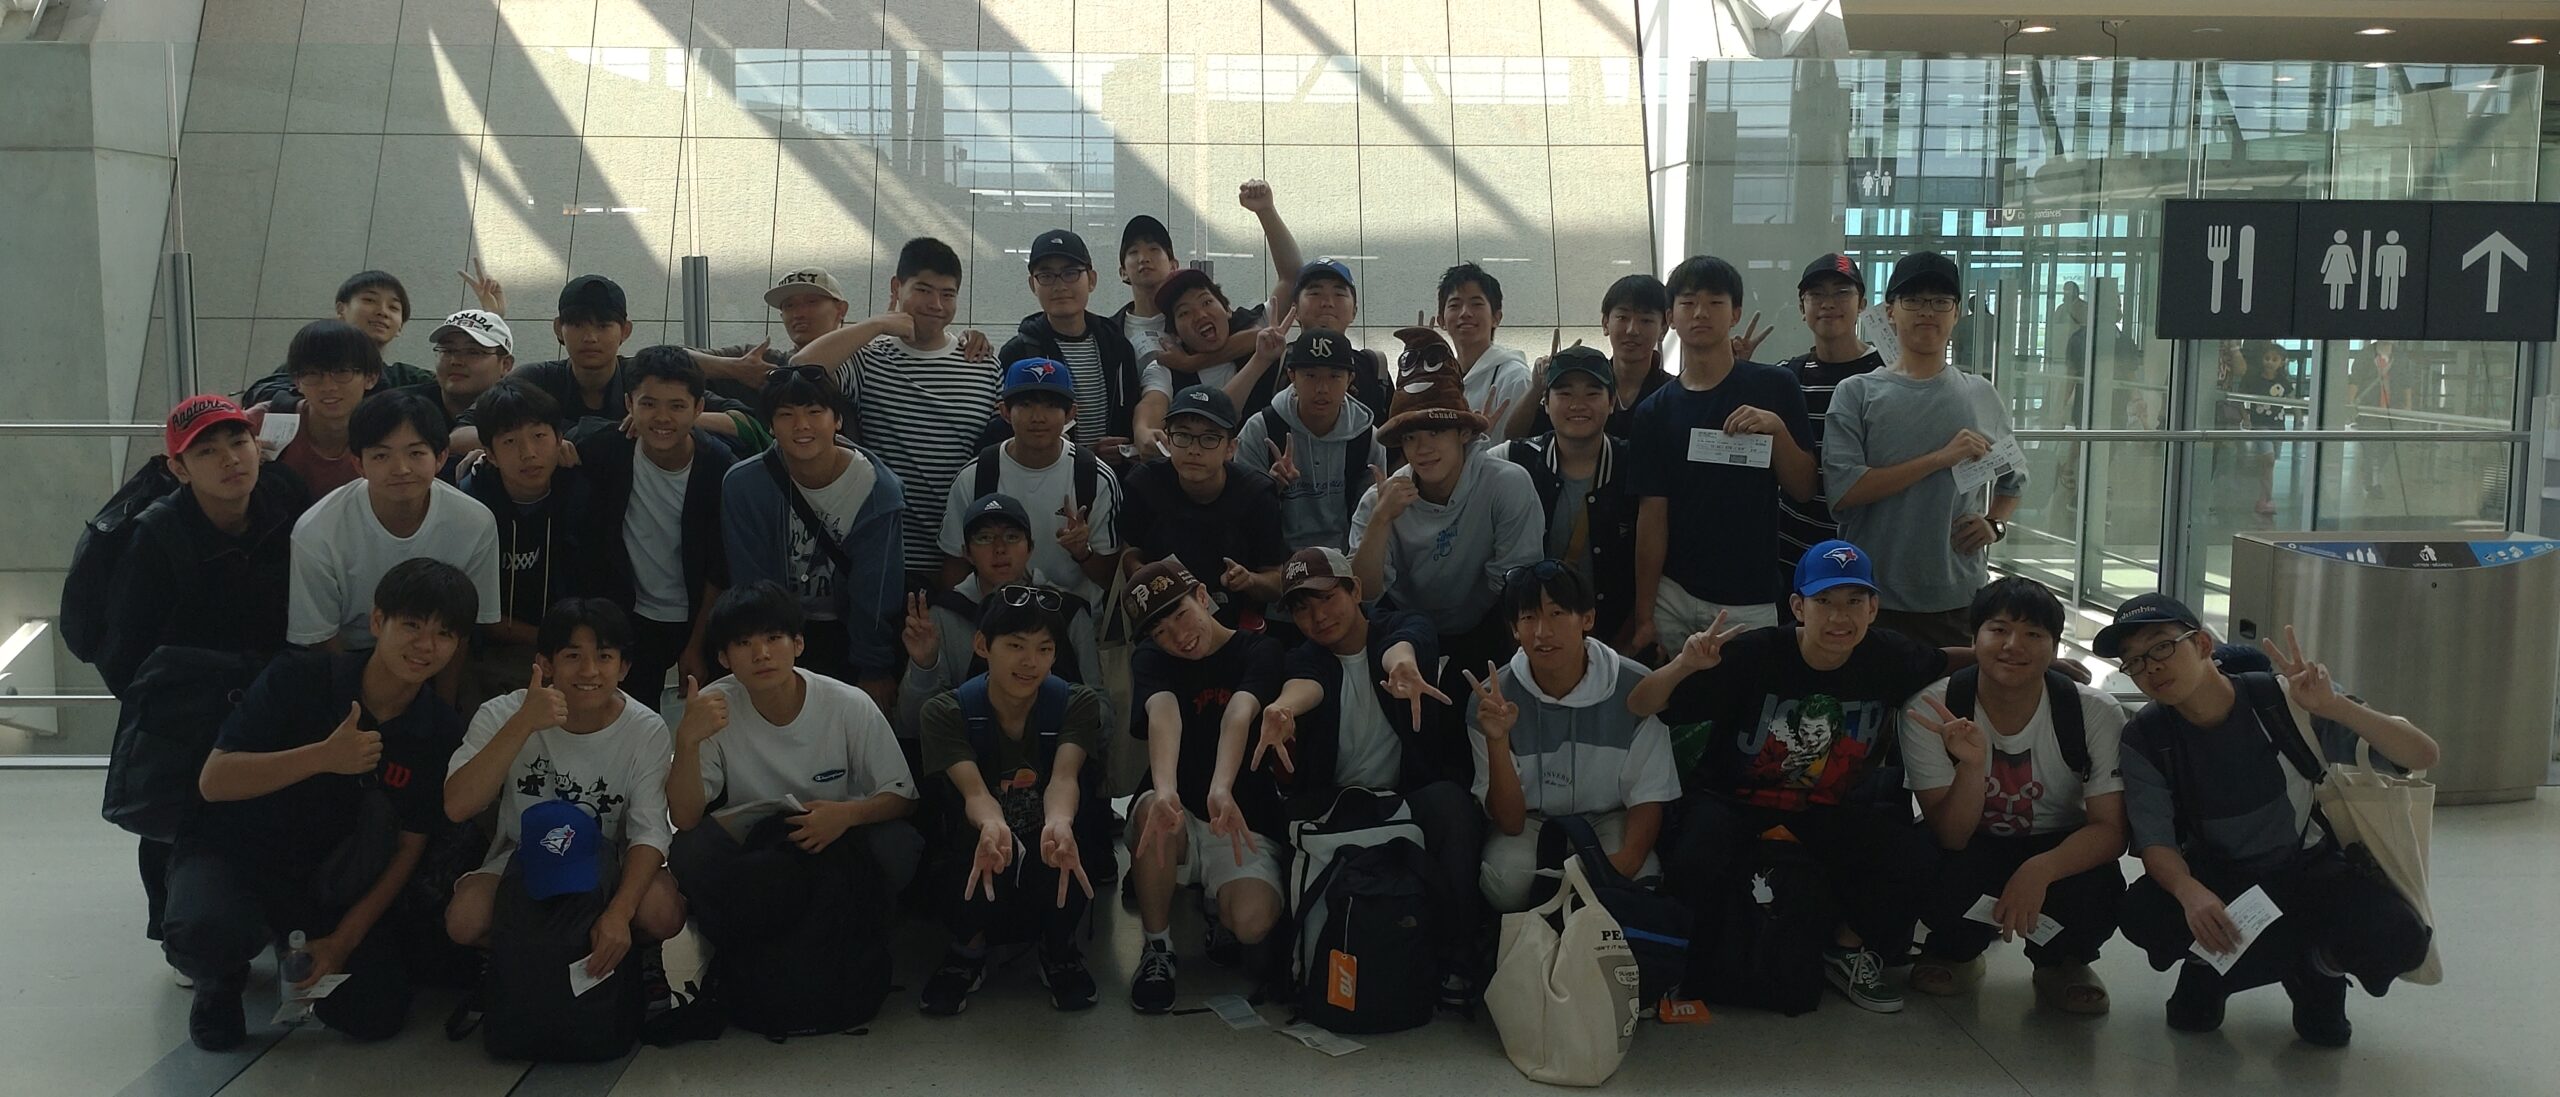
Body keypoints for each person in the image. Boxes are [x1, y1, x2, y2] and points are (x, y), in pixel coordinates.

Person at [163, 558, 477, 1050]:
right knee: (205, 928)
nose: (425, 645)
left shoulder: (438, 731)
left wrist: (343, 942)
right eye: (412, 625)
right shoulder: (299, 677)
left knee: (375, 1012)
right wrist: (323, 757)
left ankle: (302, 949)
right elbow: (215, 780)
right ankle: (218, 982)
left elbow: (409, 846)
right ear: (378, 621)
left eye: (444, 634)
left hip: (326, 882)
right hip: (237, 855)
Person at [2098, 595, 2438, 1048]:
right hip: (2221, 879)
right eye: (2135, 661)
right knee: (2145, 912)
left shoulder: (2283, 701)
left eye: (2162, 646)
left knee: (2399, 936)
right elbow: (2155, 842)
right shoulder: (2147, 736)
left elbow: (2422, 754)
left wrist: (2336, 706)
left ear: (2202, 644)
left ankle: (2314, 968)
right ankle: (2217, 963)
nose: (2151, 667)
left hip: (2308, 869)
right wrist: (2190, 893)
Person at [1636, 541, 1960, 1014]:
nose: (1839, 616)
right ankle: (1679, 963)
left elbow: (1950, 659)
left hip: (1825, 806)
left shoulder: (1888, 655)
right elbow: (1641, 704)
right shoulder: (1754, 653)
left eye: (1854, 601)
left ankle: (1844, 949)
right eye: (1823, 601)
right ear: (1797, 607)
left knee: (1911, 858)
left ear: (1873, 608)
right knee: (1693, 858)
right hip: (1734, 798)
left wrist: (2041, 663)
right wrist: (1683, 664)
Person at [99, 395, 311, 963]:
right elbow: (124, 649)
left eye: (238, 442)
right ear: (179, 468)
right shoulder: (157, 535)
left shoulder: (284, 499)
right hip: (184, 698)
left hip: (266, 686)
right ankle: (171, 931)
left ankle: (259, 917)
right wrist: (164, 707)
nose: (230, 460)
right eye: (207, 451)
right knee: (174, 814)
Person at [1254, 546, 1485, 1001]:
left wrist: (1403, 667)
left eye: (1327, 598)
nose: (1318, 617)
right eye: (1301, 609)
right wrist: (1282, 709)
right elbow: (1305, 685)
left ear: (1356, 590)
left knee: (1452, 807)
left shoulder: (1402, 627)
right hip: (1337, 801)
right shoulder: (1305, 658)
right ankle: (1302, 956)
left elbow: (1402, 647)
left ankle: (1457, 957)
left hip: (1407, 794)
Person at [439, 600, 684, 1025]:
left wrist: (619, 913)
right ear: (545, 664)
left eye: (604, 657)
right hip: (524, 861)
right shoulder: (502, 713)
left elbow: (649, 833)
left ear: (624, 667)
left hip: (610, 864)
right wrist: (523, 724)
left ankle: (639, 959)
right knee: (463, 919)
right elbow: (458, 805)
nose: (589, 671)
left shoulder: (645, 728)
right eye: (572, 656)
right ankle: (511, 965)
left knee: (662, 910)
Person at [1898, 578, 2126, 1014]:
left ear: (2055, 647)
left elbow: (2111, 830)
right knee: (1927, 863)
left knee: (2095, 886)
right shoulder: (1933, 709)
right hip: (1974, 841)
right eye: (1999, 629)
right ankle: (1955, 950)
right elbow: (1952, 836)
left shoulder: (2093, 712)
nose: (2013, 646)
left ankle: (2063, 961)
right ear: (1974, 638)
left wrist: (2039, 870)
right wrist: (1971, 765)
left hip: (2058, 842)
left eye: (2033, 634)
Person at [665, 581, 925, 955]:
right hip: (757, 840)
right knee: (689, 852)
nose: (761, 654)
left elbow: (904, 797)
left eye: (774, 638)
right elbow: (685, 817)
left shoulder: (848, 704)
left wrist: (846, 815)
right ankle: (741, 943)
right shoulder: (712, 706)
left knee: (899, 845)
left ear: (798, 644)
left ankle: (852, 931)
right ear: (723, 657)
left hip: (835, 830)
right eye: (743, 643)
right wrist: (687, 741)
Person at [1349, 331, 1545, 780]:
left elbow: (1515, 584)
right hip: (1406, 629)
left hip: (1485, 622)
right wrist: (1381, 520)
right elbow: (1365, 593)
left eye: (1436, 431)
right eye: (1411, 436)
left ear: (1464, 432)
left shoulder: (1506, 483)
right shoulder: (1379, 498)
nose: (1423, 448)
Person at [915, 596, 1111, 1015]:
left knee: (1062, 841)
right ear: (982, 645)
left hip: (1044, 845)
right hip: (979, 843)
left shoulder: (1075, 703)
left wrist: (1059, 822)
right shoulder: (945, 712)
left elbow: (1064, 778)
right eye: (1016, 645)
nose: (1030, 662)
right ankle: (967, 949)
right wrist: (993, 826)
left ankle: (1058, 948)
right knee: (976, 846)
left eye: (1044, 648)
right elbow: (975, 793)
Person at [1824, 251, 2025, 647]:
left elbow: (2014, 478)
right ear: (1890, 311)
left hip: (1956, 596)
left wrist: (1994, 523)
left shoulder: (1979, 393)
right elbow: (1844, 493)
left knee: (1951, 689)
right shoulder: (1857, 393)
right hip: (1871, 595)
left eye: (1940, 301)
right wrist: (1938, 459)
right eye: (1913, 300)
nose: (1927, 312)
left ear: (1957, 313)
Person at [1120, 560, 1289, 1012]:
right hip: (1180, 811)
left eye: (1181, 615)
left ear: (1201, 597)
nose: (1178, 636)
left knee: (1252, 923)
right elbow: (1163, 714)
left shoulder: (1260, 650)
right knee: (1156, 813)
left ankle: (1215, 907)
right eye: (1160, 632)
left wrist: (1221, 788)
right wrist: (1166, 790)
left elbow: (1239, 712)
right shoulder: (1150, 659)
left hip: (1240, 813)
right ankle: (1157, 946)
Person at [1627, 256, 1818, 656]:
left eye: (1715, 302)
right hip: (1674, 595)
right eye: (1688, 302)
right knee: (1675, 693)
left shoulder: (1775, 386)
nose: (1701, 313)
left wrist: (1777, 430)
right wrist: (1645, 614)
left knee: (1746, 693)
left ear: (1735, 314)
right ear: (1670, 318)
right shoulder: (1653, 411)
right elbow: (1652, 517)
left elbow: (1802, 488)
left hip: (1749, 598)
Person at [1466, 561, 1681, 914]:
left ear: (1587, 619)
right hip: (1533, 821)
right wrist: (1498, 739)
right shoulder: (1492, 698)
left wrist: (1622, 865)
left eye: (1556, 613)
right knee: (1505, 882)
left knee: (1640, 876)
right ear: (1515, 629)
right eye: (1529, 618)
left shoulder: (1638, 687)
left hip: (1610, 816)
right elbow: (1510, 822)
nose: (1542, 632)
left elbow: (1649, 793)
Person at [789, 238, 1001, 585]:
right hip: (882, 554)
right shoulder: (869, 358)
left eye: (947, 294)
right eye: (923, 290)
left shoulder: (983, 364)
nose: (936, 304)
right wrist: (877, 325)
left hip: (961, 559)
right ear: (896, 287)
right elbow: (800, 369)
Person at [719, 366, 906, 703]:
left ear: (838, 420)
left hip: (848, 633)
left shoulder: (876, 490)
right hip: (775, 631)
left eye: (815, 412)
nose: (801, 425)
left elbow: (876, 591)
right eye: (786, 414)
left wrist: (874, 668)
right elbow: (751, 582)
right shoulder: (744, 486)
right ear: (771, 425)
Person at [578, 346, 741, 709]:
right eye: (648, 404)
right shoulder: (606, 450)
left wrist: (697, 644)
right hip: (628, 618)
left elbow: (719, 566)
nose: (662, 418)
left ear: (698, 409)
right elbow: (550, 448)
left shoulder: (719, 468)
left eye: (677, 406)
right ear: (629, 404)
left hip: (698, 617)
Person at [287, 391, 502, 655]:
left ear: (440, 457)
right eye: (381, 456)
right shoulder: (317, 531)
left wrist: (443, 684)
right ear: (358, 464)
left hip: (436, 652)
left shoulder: (475, 522)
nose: (401, 469)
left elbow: (463, 628)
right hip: (350, 658)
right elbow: (321, 639)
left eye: (416, 453)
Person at [901, 493, 1105, 737]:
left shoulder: (1066, 610)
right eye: (985, 538)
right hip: (969, 751)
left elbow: (1104, 718)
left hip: (1058, 750)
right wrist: (924, 666)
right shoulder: (945, 614)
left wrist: (1060, 710)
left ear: (1030, 548)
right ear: (967, 553)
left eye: (1012, 537)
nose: (999, 548)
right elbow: (914, 725)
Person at [938, 358, 1125, 608]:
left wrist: (1083, 551)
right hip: (992, 619)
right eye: (1025, 405)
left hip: (1073, 619)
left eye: (1051, 405)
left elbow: (1109, 578)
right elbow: (955, 562)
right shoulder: (975, 475)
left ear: (1071, 413)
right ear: (1005, 412)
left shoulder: (1096, 477)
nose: (1038, 417)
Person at [457, 380, 594, 701]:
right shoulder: (472, 503)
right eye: (510, 441)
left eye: (539, 436)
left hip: (565, 647)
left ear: (560, 439)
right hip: (485, 652)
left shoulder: (580, 495)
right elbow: (469, 607)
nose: (528, 453)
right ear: (490, 453)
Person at [1500, 346, 1641, 647]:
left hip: (1615, 638)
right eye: (1564, 393)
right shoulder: (1518, 458)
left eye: (1592, 393)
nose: (1578, 405)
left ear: (1612, 402)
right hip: (1537, 639)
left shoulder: (1636, 465)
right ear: (1545, 402)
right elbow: (1461, 472)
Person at [1114, 385, 1286, 629]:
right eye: (1183, 436)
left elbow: (1276, 582)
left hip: (1234, 626)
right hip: (1162, 620)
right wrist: (1147, 575)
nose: (1194, 450)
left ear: (1231, 448)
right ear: (1168, 440)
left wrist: (1249, 580)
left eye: (1209, 438)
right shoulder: (1145, 483)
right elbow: (1129, 551)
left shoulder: (1256, 494)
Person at [1136, 180, 1303, 428]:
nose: (1200, 315)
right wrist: (1144, 431)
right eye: (1184, 313)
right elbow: (1151, 406)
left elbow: (1292, 276)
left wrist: (1266, 210)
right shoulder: (1167, 369)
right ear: (1175, 333)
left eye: (1206, 302)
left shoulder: (1257, 325)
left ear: (1227, 309)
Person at [1773, 255, 1886, 590]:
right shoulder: (1787, 376)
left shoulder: (1888, 374)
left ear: (1862, 304)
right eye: (1817, 294)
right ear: (1802, 307)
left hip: (1869, 553)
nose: (1828, 303)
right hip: (1794, 553)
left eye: (1841, 293)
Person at [514, 275, 746, 436]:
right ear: (558, 329)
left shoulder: (648, 377)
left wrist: (662, 419)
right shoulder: (534, 382)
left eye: (603, 326)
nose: (590, 337)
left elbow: (746, 421)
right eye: (577, 325)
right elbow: (489, 427)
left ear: (625, 331)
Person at [1230, 328, 1388, 553]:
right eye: (1310, 376)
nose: (1322, 388)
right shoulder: (1261, 430)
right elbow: (1239, 511)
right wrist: (1268, 487)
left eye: (1334, 376)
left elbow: (1370, 516)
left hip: (1346, 558)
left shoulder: (1367, 437)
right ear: (1292, 376)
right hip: (1274, 560)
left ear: (1349, 380)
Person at [998, 229, 1145, 455]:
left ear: (1091, 280)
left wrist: (1125, 450)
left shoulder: (1118, 345)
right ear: (1032, 284)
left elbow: (1133, 414)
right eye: (1046, 275)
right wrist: (1084, 456)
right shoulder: (1018, 353)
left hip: (1114, 473)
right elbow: (1007, 430)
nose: (1059, 286)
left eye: (1070, 273)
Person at [1505, 273, 1672, 442]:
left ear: (1663, 330)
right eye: (1622, 317)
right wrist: (1538, 388)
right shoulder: (1582, 380)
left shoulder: (1672, 393)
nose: (1632, 330)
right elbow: (1515, 438)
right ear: (1605, 323)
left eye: (1646, 320)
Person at [239, 270, 437, 407]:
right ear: (341, 310)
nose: (382, 312)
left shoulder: (406, 378)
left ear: (400, 326)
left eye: (393, 307)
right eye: (369, 300)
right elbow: (260, 393)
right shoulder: (308, 364)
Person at [244, 319, 385, 497]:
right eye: (312, 374)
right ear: (297, 382)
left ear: (371, 378)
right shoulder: (257, 424)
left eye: (342, 372)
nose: (328, 386)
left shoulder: (389, 431)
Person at [1431, 263, 1535, 447]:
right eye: (1455, 305)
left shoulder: (1514, 376)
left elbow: (1513, 449)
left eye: (1476, 304)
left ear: (1496, 317)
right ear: (1441, 321)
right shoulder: (1437, 378)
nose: (1465, 313)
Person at [400, 309, 514, 457]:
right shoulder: (402, 407)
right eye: (447, 351)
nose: (456, 361)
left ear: (505, 365)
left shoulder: (521, 414)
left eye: (473, 352)